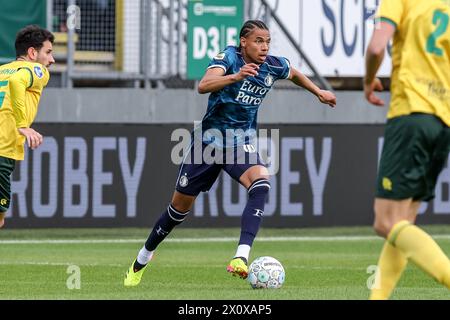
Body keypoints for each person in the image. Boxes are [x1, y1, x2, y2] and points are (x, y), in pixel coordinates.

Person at [124, 20, 336, 287]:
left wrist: (318, 92)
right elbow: (203, 85)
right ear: (243, 42)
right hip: (209, 144)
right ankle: (142, 259)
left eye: (268, 41)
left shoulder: (272, 65)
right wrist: (235, 77)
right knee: (178, 211)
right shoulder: (230, 57)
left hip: (240, 143)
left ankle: (241, 257)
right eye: (258, 41)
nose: (264, 46)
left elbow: (293, 72)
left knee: (261, 182)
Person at [364, 0, 450, 300]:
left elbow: (377, 47)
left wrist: (368, 80)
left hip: (412, 114)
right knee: (402, 223)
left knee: (385, 222)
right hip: (442, 122)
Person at [0, 25, 55, 228]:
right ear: (32, 53)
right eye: (48, 52)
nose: (52, 60)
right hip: (2, 149)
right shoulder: (37, 69)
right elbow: (16, 82)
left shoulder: (2, 70)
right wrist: (23, 125)